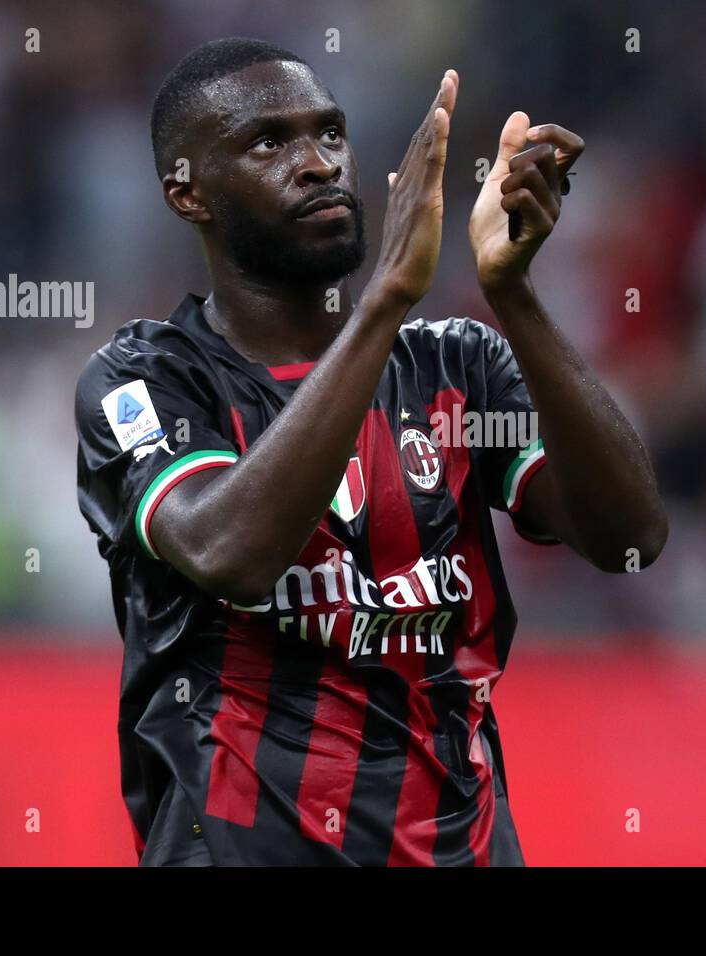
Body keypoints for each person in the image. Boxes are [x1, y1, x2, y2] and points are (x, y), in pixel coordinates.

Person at [74, 38, 667, 865]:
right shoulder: (144, 381)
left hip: (463, 845)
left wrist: (514, 296)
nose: (318, 163)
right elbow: (228, 551)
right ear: (188, 191)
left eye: (331, 134)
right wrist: (387, 296)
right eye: (269, 143)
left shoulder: (458, 368)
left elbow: (632, 539)